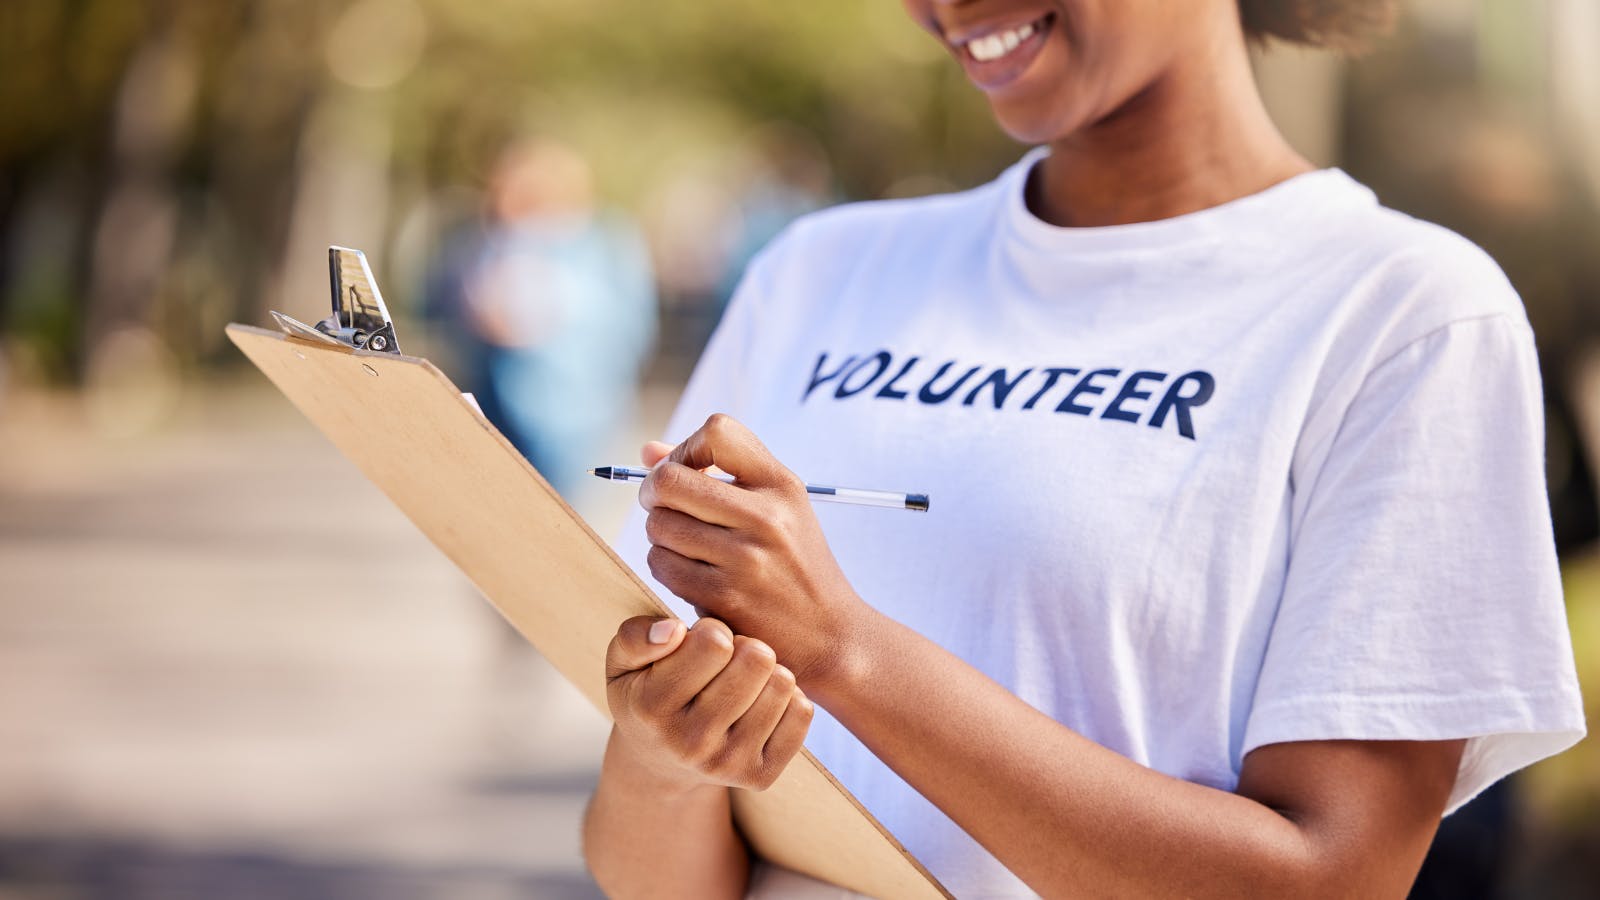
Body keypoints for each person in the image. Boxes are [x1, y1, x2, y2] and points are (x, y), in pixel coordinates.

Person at [582, 1, 1587, 897]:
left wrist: (845, 650)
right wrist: (669, 757)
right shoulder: (816, 274)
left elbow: (1331, 879)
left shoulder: (1404, 314)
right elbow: (650, 873)